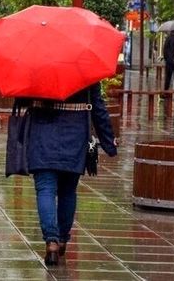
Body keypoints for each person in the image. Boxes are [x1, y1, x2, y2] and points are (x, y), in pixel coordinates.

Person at [19, 83, 117, 266]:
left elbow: (22, 98)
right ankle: (62, 239)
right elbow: (98, 105)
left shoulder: (36, 64)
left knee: (45, 189)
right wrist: (109, 142)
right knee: (67, 191)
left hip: (42, 135)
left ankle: (52, 242)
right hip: (74, 133)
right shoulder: (85, 65)